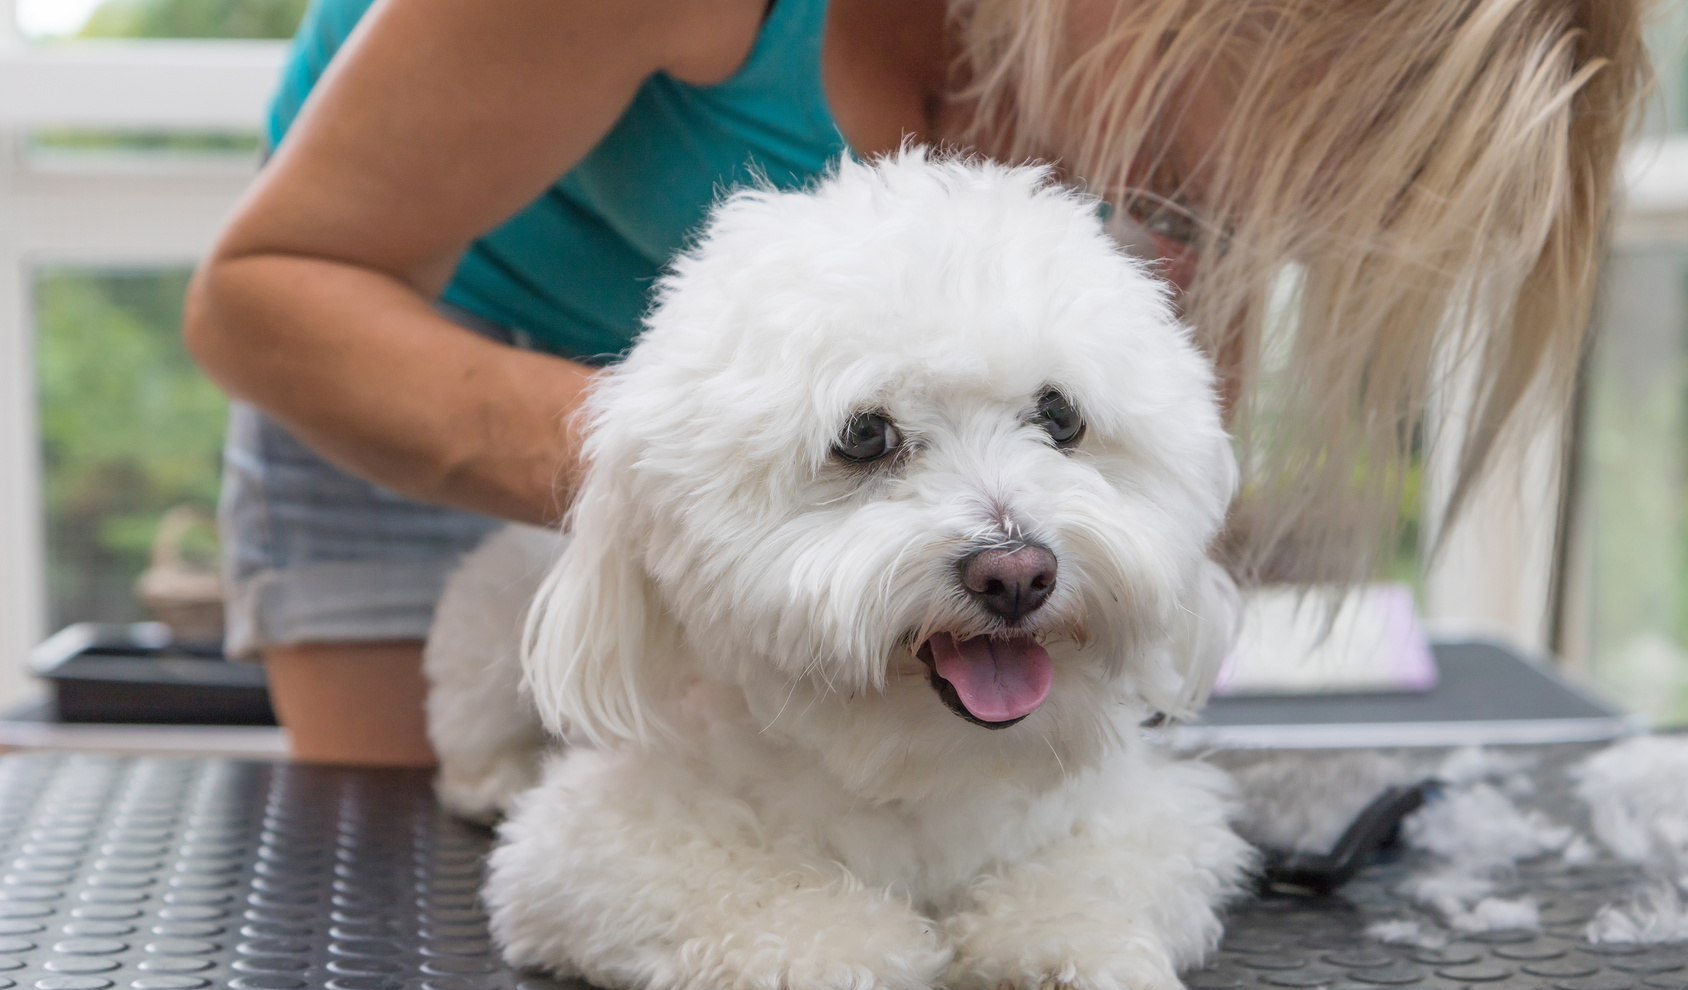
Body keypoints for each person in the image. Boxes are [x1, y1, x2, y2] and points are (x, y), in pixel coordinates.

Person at [185, 0, 1650, 767]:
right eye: (1201, 185)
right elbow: (265, 297)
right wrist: (688, 495)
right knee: (417, 937)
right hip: (414, 360)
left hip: (875, 483)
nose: (1195, 231)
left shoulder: (1179, 118)